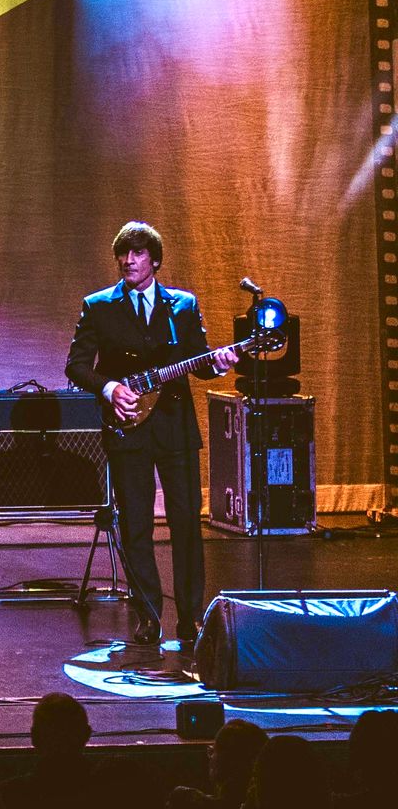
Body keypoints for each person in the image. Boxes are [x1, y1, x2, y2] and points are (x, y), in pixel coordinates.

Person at [65, 221, 236, 646]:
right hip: (128, 430)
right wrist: (110, 388)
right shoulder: (98, 306)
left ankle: (191, 618)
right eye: (123, 254)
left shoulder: (182, 305)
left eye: (137, 253)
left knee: (186, 524)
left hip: (175, 429)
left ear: (154, 260)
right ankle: (148, 616)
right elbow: (77, 365)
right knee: (136, 526)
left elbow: (199, 359)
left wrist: (217, 364)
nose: (128, 261)